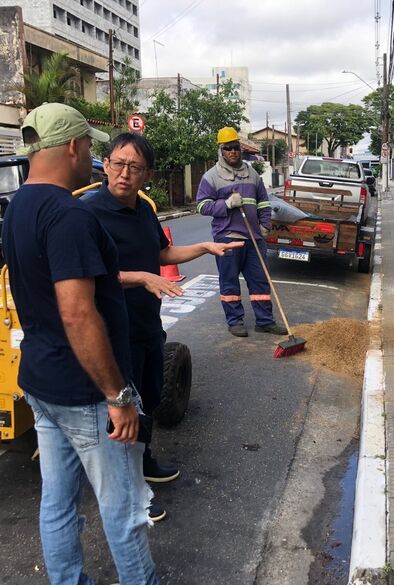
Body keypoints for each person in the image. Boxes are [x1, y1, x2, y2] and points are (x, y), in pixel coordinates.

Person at [1, 103, 160, 585]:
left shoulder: (17, 207)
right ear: (73, 147)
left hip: (41, 381)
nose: (93, 156)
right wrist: (118, 395)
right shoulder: (68, 215)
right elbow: (77, 312)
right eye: (91, 147)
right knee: (124, 507)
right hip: (85, 391)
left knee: (57, 501)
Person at [83, 133, 242, 520]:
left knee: (150, 394)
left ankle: (145, 459)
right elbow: (87, 276)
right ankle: (129, 493)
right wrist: (140, 278)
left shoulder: (144, 210)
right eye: (118, 164)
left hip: (145, 323)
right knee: (122, 408)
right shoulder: (87, 213)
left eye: (135, 167)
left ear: (147, 174)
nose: (125, 174)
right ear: (105, 165)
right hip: (111, 330)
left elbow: (162, 253)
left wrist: (205, 247)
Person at [196, 127, 288, 337]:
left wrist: (265, 226)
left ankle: (265, 321)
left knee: (260, 281)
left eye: (235, 147)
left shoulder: (252, 174)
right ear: (221, 150)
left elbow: (264, 202)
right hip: (227, 238)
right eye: (227, 148)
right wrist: (226, 204)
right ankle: (235, 321)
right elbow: (201, 206)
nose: (232, 152)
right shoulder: (211, 177)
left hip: (254, 237)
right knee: (229, 281)